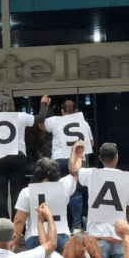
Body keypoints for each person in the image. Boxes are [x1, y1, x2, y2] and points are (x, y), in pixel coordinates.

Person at [0, 94, 47, 219]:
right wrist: (44, 103)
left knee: (1, 194)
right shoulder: (20, 116)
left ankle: (4, 224)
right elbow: (40, 118)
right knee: (16, 193)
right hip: (17, 158)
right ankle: (17, 223)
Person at [40, 99, 94, 232]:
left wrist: (45, 107)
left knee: (58, 192)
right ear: (75, 110)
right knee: (76, 192)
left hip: (59, 159)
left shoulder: (55, 120)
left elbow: (41, 125)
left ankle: (59, 225)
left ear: (62, 111)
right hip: (77, 160)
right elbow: (91, 143)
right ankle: (76, 226)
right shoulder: (84, 123)